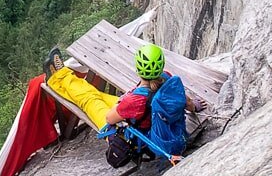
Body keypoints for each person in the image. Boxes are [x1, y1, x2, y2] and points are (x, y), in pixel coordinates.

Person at [43, 44, 204, 132]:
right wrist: (194, 107)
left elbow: (109, 119)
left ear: (138, 70)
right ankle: (62, 76)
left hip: (126, 129)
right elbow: (186, 101)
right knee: (97, 95)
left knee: (89, 100)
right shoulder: (168, 78)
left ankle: (58, 78)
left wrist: (123, 103)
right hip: (146, 117)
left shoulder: (136, 99)